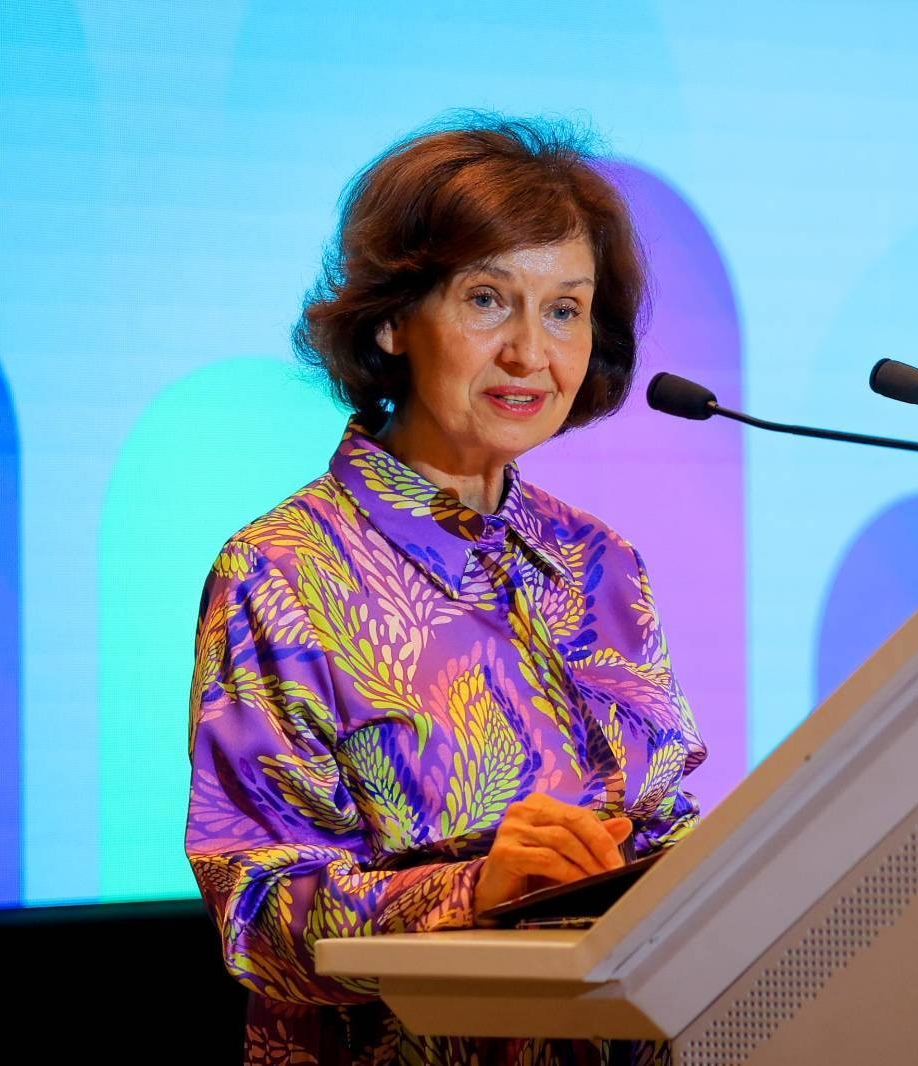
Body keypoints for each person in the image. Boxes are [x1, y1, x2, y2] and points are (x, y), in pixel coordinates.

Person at [185, 114, 704, 1065]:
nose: (530, 353)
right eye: (487, 300)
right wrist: (475, 892)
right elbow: (256, 914)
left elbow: (665, 828)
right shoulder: (282, 571)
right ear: (391, 320)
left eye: (565, 310)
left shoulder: (602, 563)